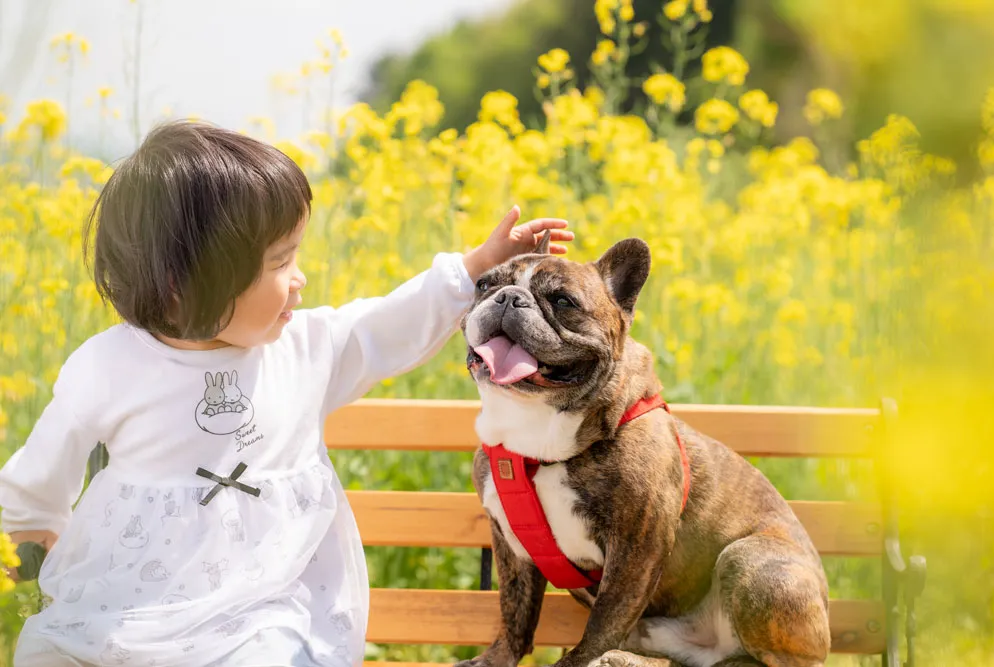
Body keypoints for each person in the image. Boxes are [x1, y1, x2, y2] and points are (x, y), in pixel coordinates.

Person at [0, 120, 573, 666]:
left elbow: (382, 327)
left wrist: (476, 267)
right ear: (182, 290)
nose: (299, 277)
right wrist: (28, 524)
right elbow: (50, 455)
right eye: (280, 261)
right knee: (50, 652)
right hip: (128, 605)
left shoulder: (303, 348)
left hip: (262, 607)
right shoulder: (109, 364)